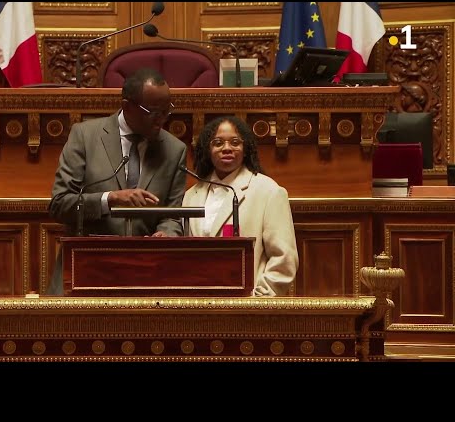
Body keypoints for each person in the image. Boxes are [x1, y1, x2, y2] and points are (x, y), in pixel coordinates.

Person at [47, 67, 188, 295]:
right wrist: (109, 199)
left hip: (146, 278)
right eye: (153, 112)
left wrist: (167, 233)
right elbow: (60, 205)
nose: (161, 120)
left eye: (166, 111)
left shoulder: (174, 150)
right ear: (127, 106)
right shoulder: (85, 136)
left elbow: (172, 213)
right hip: (86, 272)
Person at [182, 116, 298, 296]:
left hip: (247, 307)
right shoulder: (191, 195)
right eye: (218, 143)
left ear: (245, 149)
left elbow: (284, 259)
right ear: (208, 149)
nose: (226, 148)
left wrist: (258, 298)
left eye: (235, 142)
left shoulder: (268, 191)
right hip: (199, 305)